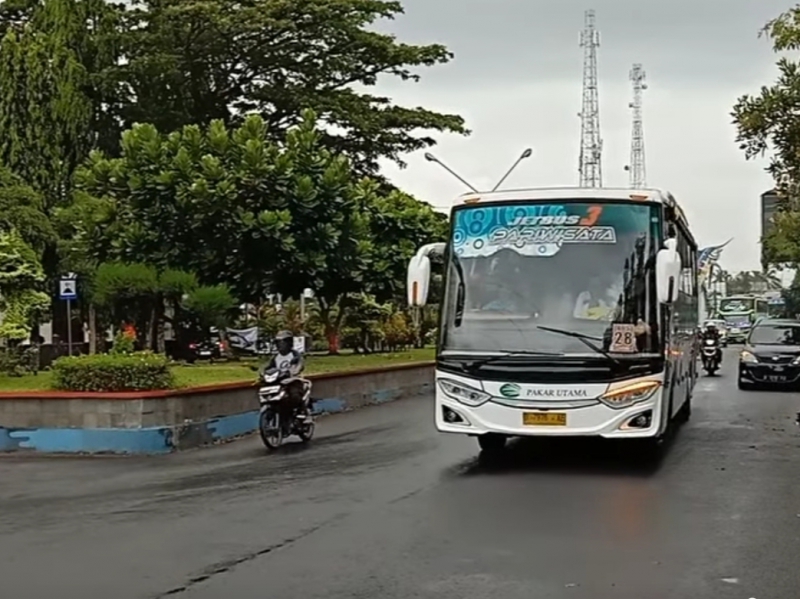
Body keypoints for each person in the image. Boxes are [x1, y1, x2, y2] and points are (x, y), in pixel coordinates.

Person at [264, 330, 308, 416]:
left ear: (289, 342)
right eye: (278, 342)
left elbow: (299, 365)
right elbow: (268, 367)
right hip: (278, 380)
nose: (280, 344)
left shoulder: (295, 355)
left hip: (292, 380)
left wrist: (293, 371)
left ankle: (300, 411)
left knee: (294, 394)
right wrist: (264, 373)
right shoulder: (275, 357)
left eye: (282, 342)